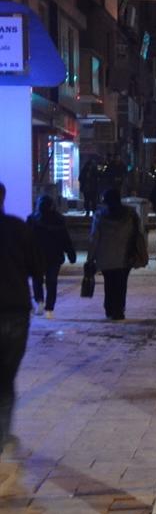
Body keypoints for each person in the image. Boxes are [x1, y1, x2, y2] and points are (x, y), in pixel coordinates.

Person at [0, 183, 42, 478]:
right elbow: (36, 267)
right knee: (5, 379)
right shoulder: (17, 229)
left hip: (13, 311)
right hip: (15, 312)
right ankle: (2, 436)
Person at [88, 187, 148, 321]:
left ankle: (109, 308)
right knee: (121, 284)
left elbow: (94, 238)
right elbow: (138, 233)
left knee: (109, 283)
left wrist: (90, 257)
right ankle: (119, 310)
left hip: (105, 257)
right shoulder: (131, 214)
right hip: (125, 256)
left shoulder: (100, 216)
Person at [27, 195, 75, 318]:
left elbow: (26, 239)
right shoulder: (58, 219)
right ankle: (49, 308)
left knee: (37, 280)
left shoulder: (32, 219)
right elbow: (65, 238)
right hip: (54, 256)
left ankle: (39, 301)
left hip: (37, 256)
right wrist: (71, 253)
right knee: (52, 282)